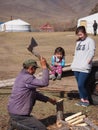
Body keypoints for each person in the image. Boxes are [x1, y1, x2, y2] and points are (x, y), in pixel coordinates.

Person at [7, 58, 56, 130]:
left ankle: (15, 122)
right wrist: (44, 67)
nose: (35, 71)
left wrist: (49, 99)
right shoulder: (27, 78)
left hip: (15, 111)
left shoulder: (22, 76)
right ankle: (15, 124)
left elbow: (34, 94)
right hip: (19, 115)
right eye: (35, 69)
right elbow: (44, 83)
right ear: (31, 68)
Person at [71, 26, 96, 107]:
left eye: (81, 34)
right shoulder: (78, 42)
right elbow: (76, 53)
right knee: (79, 85)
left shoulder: (90, 41)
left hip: (84, 67)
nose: (79, 36)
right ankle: (82, 100)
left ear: (85, 33)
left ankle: (86, 100)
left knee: (81, 84)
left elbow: (92, 51)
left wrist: (88, 60)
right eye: (78, 35)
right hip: (76, 66)